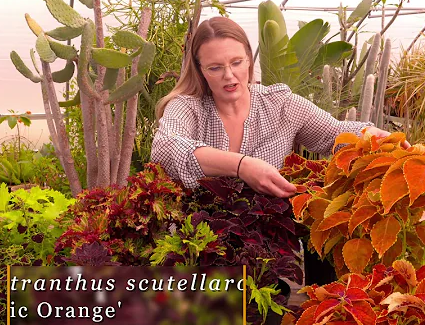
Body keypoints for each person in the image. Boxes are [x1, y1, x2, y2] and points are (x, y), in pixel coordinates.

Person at [151, 16, 400, 198]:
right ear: (200, 70)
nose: (230, 75)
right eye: (215, 68)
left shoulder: (279, 104)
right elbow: (166, 148)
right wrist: (242, 166)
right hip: (198, 250)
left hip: (271, 249)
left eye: (237, 62)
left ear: (249, 58)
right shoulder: (188, 107)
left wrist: (372, 136)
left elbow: (333, 133)